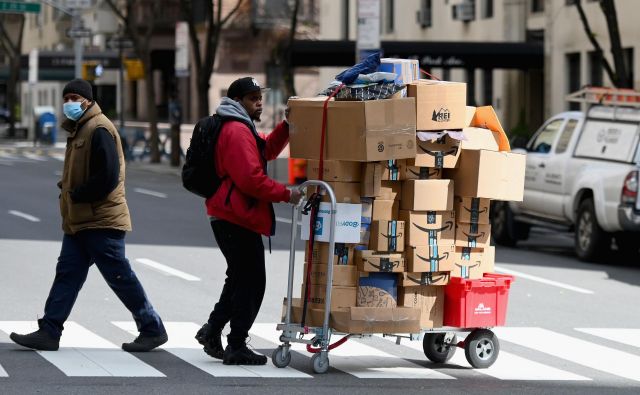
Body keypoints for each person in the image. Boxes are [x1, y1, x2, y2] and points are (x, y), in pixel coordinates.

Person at [9, 79, 168, 352]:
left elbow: (107, 176)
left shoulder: (99, 128)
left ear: (87, 100)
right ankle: (50, 330)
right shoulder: (81, 128)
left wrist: (78, 194)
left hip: (100, 219)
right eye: (66, 97)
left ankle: (152, 327)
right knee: (67, 273)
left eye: (74, 97)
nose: (69, 102)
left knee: (119, 275)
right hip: (80, 220)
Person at [195, 77, 302, 365]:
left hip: (230, 213)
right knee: (252, 282)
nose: (259, 102)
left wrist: (287, 126)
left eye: (260, 96)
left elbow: (264, 151)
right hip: (234, 216)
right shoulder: (236, 130)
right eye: (253, 97)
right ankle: (237, 344)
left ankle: (213, 330)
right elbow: (251, 180)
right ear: (238, 100)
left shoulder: (241, 127)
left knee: (240, 278)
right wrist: (288, 195)